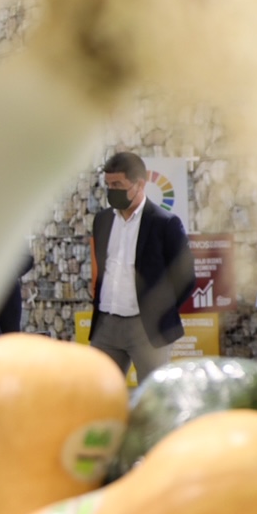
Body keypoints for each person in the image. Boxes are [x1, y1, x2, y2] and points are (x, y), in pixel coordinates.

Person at [89, 151, 196, 380]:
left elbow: (185, 278)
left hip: (147, 329)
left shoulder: (164, 223)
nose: (112, 191)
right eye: (108, 185)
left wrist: (158, 310)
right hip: (106, 326)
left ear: (139, 184)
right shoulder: (103, 220)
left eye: (118, 184)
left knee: (151, 399)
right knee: (98, 392)